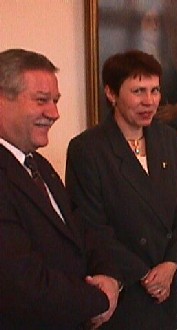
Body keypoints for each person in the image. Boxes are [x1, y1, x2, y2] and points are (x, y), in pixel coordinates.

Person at [65, 50, 177, 329]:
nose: (149, 101)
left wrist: (171, 264)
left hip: (167, 292)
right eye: (138, 91)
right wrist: (146, 275)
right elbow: (90, 225)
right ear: (111, 94)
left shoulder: (169, 139)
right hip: (124, 294)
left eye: (155, 90)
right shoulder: (87, 149)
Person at [0, 48, 121, 329]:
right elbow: (23, 285)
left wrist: (110, 276)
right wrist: (100, 299)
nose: (54, 113)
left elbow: (79, 231)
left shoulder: (38, 164)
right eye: (42, 100)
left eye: (55, 101)